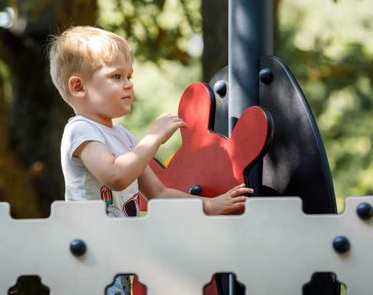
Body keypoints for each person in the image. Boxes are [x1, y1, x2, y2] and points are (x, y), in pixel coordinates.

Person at [49, 26, 253, 294]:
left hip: (116, 257)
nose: (128, 85)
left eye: (129, 76)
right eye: (116, 76)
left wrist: (211, 205)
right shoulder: (81, 130)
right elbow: (117, 177)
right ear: (79, 87)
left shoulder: (125, 139)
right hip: (88, 256)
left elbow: (159, 193)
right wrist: (154, 138)